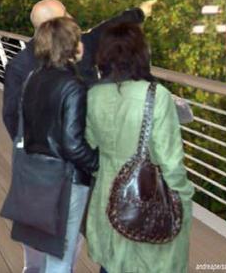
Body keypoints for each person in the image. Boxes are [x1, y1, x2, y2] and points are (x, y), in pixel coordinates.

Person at [85, 21, 193, 273]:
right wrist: (183, 198)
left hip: (107, 197)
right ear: (141, 53)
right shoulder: (157, 95)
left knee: (112, 265)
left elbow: (90, 145)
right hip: (147, 199)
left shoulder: (94, 95)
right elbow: (170, 160)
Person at [10, 16, 98, 272]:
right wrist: (99, 162)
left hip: (36, 175)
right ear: (71, 45)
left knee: (47, 252)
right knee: (61, 260)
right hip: (66, 181)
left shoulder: (33, 79)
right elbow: (73, 145)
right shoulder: (74, 86)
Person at [3, 0, 156, 141]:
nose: (71, 16)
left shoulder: (20, 65)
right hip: (66, 153)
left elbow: (106, 30)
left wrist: (139, 13)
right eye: (65, 14)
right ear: (54, 25)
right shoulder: (20, 67)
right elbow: (12, 116)